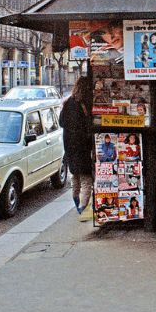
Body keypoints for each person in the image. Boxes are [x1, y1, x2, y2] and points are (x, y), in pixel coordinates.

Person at [59, 76, 94, 217]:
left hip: (69, 143)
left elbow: (61, 122)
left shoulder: (68, 102)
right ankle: (82, 208)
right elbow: (88, 125)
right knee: (86, 178)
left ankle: (76, 200)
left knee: (75, 175)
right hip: (82, 145)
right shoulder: (85, 104)